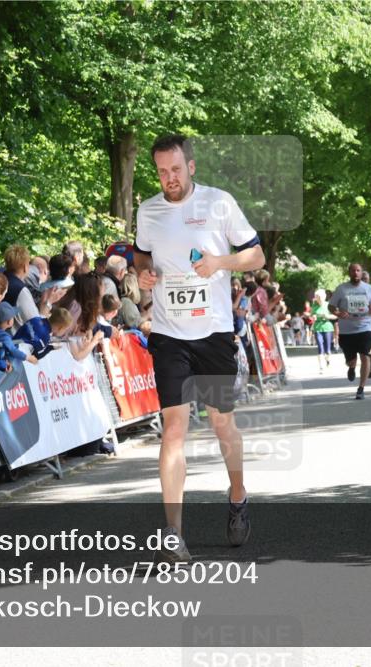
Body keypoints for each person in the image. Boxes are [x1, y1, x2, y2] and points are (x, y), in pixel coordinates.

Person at [134, 133, 265, 563]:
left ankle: (238, 494)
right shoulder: (148, 211)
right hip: (170, 334)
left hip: (212, 334)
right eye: (161, 172)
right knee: (174, 429)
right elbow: (141, 257)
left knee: (221, 425)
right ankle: (173, 533)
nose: (168, 178)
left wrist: (218, 263)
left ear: (191, 167)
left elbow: (257, 256)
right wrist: (145, 275)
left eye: (175, 169)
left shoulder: (219, 203)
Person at [329, 263, 371, 399]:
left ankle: (361, 388)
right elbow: (331, 306)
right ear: (349, 273)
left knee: (365, 356)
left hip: (365, 327)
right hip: (347, 330)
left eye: (358, 270)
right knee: (351, 360)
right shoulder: (341, 289)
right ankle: (351, 367)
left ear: (361, 272)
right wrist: (338, 313)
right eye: (353, 270)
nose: (356, 273)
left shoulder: (370, 289)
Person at [0, 302, 37, 371]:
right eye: (13, 317)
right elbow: (12, 350)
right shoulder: (3, 336)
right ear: (9, 321)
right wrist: (28, 358)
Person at [311, 289, 335, 372]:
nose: (318, 298)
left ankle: (328, 359)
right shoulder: (314, 306)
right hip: (317, 328)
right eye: (317, 297)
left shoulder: (329, 305)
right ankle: (321, 367)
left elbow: (336, 316)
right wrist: (313, 317)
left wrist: (327, 316)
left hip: (327, 327)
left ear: (324, 297)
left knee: (327, 349)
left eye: (320, 297)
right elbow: (312, 315)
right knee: (320, 348)